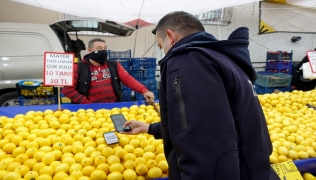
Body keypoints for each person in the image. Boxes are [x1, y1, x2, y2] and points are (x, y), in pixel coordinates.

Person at [121, 11, 280, 180]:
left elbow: (203, 140)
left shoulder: (188, 60)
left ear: (170, 36)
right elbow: (215, 121)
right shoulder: (224, 58)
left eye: (161, 46)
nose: (164, 52)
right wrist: (150, 128)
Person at [62, 38, 154, 104]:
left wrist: (144, 90)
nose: (103, 51)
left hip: (113, 107)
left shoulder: (114, 65)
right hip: (87, 110)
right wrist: (86, 103)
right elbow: (67, 89)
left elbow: (127, 79)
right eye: (99, 48)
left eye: (105, 48)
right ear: (89, 50)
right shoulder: (78, 67)